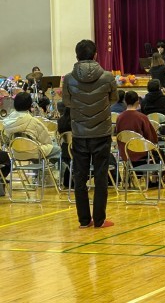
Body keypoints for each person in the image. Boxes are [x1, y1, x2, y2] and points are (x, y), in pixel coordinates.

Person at [62, 39, 117, 229]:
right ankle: (99, 220)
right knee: (101, 177)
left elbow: (67, 102)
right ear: (95, 55)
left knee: (80, 177)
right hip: (102, 132)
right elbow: (113, 99)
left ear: (76, 56)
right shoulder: (108, 77)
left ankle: (84, 220)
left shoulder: (68, 79)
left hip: (79, 133)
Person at [3, 91, 61, 159]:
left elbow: (5, 140)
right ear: (29, 104)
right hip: (34, 152)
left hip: (16, 153)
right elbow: (47, 141)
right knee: (58, 149)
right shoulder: (33, 121)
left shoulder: (6, 121)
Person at [115, 91, 159, 166]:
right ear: (137, 102)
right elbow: (151, 137)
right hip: (141, 151)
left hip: (125, 152)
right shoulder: (142, 117)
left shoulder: (119, 117)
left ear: (125, 101)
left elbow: (118, 135)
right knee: (159, 153)